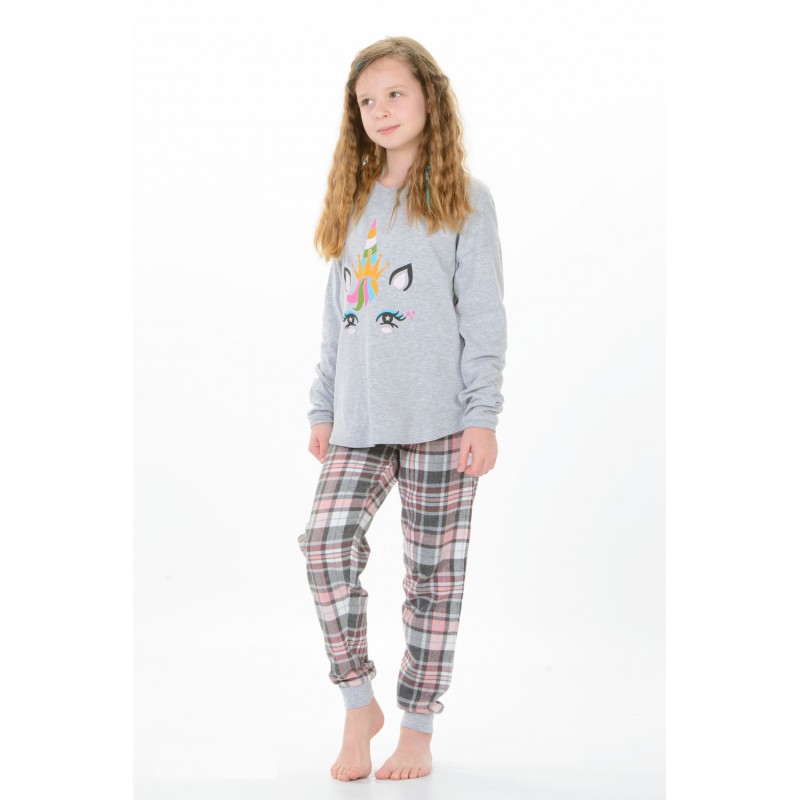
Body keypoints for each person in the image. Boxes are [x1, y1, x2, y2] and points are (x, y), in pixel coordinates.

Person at [297, 36, 507, 782]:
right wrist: (322, 406)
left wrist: (483, 414)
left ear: (428, 99)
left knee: (433, 580)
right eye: (366, 101)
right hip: (358, 420)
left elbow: (483, 315)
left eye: (395, 94)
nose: (381, 110)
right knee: (324, 546)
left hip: (440, 421)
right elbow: (337, 316)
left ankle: (416, 728)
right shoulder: (353, 199)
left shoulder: (465, 200)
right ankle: (360, 703)